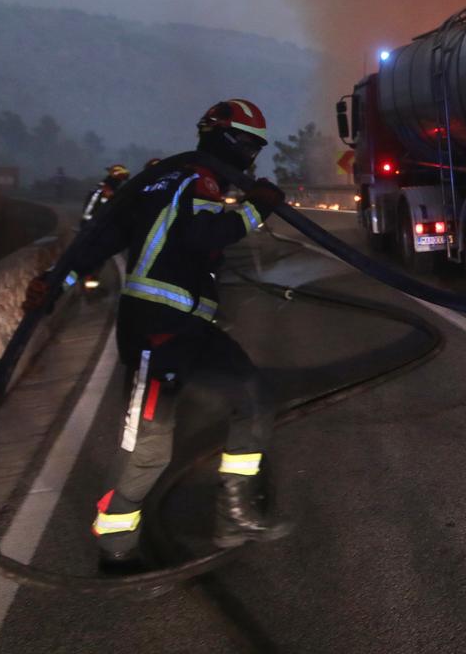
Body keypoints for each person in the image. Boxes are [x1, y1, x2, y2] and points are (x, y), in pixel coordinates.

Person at [23, 99, 290, 573]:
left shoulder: (161, 183)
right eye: (248, 145)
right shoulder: (196, 180)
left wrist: (57, 283)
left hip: (193, 327)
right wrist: (257, 209)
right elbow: (202, 237)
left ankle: (234, 515)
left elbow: (96, 243)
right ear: (224, 139)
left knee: (253, 395)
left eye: (257, 149)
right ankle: (116, 547)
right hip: (158, 330)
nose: (251, 158)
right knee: (149, 448)